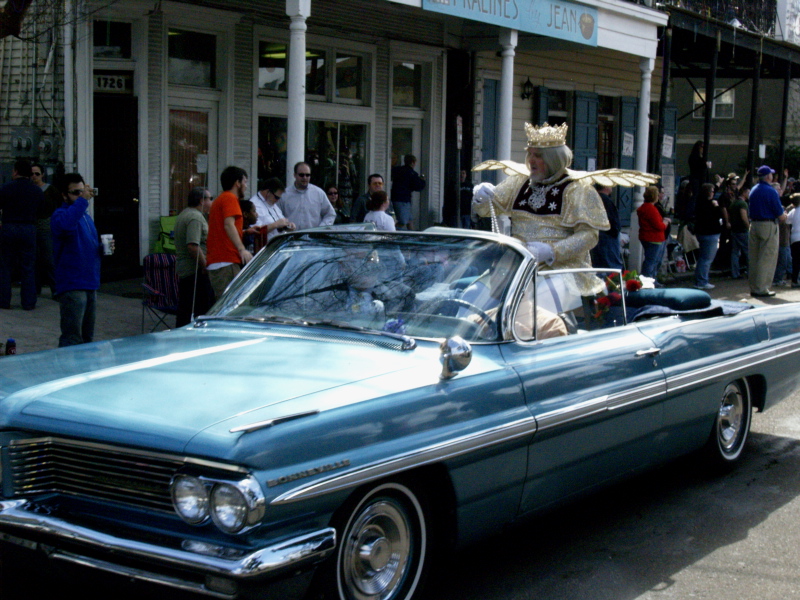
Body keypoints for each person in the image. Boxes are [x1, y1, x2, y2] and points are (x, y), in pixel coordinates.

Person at [472, 122, 614, 296]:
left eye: (538, 155)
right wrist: (482, 197)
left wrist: (552, 251)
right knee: (474, 293)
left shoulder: (577, 189)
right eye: (529, 154)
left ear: (553, 159)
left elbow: (589, 236)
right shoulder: (520, 182)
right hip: (518, 265)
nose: (531, 160)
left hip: (561, 270)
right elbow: (488, 210)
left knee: (536, 299)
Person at [51, 173, 104, 346]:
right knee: (72, 337)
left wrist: (103, 247)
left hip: (90, 282)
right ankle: (67, 371)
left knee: (88, 338)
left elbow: (87, 245)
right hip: (72, 283)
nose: (81, 196)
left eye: (83, 191)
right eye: (76, 193)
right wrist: (83, 201)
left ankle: (84, 371)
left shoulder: (85, 216)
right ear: (64, 195)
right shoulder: (60, 215)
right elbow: (66, 225)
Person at [0, 158, 44, 310]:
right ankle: (28, 302)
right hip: (28, 228)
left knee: (5, 266)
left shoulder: (6, 188)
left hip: (9, 227)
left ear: (16, 171)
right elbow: (42, 211)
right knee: (28, 266)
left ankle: (4, 301)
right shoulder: (36, 191)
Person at [206, 166, 253, 300]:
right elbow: (228, 225)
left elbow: (223, 227)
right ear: (237, 183)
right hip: (226, 261)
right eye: (244, 181)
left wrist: (245, 231)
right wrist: (242, 249)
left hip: (220, 260)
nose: (245, 185)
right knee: (233, 304)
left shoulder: (221, 199)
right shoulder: (230, 198)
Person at [174, 187, 214, 327]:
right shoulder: (195, 217)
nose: (211, 202)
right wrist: (205, 267)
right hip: (194, 272)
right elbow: (193, 246)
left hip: (187, 271)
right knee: (201, 309)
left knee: (185, 308)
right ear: (201, 200)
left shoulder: (185, 213)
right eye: (210, 199)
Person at [748, 165, 786, 297]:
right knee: (767, 258)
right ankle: (762, 288)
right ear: (768, 176)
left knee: (754, 258)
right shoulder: (771, 191)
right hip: (768, 225)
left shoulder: (754, 189)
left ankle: (754, 287)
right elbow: (780, 215)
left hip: (754, 224)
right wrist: (785, 215)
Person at [31, 162, 61, 297]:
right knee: (34, 259)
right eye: (32, 174)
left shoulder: (50, 190)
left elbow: (59, 205)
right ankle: (35, 288)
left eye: (37, 174)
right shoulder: (29, 189)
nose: (34, 176)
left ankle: (55, 288)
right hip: (32, 226)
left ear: (42, 175)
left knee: (49, 259)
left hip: (47, 226)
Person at [278, 162, 336, 230]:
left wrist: (321, 229)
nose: (305, 177)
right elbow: (277, 216)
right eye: (301, 175)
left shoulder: (319, 193)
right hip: (291, 237)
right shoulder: (284, 195)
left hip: (313, 238)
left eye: (307, 175)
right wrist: (286, 226)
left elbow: (330, 214)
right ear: (294, 175)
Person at [693, 182, 723, 290]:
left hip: (702, 233)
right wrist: (716, 206)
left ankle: (700, 280)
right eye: (711, 191)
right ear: (708, 193)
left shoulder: (699, 201)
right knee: (706, 259)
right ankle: (701, 281)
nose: (713, 193)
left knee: (702, 258)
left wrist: (718, 184)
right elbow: (717, 215)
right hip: (710, 233)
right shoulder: (709, 204)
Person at [637, 186, 670, 282]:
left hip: (647, 237)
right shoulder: (651, 209)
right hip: (654, 239)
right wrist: (665, 222)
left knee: (650, 261)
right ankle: (647, 281)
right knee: (651, 262)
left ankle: (650, 280)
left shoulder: (644, 207)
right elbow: (659, 226)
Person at [590, 183, 623, 271]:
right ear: (605, 186)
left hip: (601, 237)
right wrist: (615, 231)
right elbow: (612, 220)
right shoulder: (605, 200)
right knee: (610, 266)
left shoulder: (596, 199)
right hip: (607, 238)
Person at [254, 177, 295, 244]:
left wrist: (288, 225)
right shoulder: (254, 205)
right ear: (267, 192)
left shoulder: (272, 203)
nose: (277, 200)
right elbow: (255, 231)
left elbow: (280, 222)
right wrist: (276, 224)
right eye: (276, 197)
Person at [391, 155, 426, 229]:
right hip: (403, 200)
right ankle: (393, 232)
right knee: (403, 221)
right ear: (413, 163)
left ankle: (412, 235)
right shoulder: (412, 173)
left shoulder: (397, 170)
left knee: (410, 220)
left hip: (396, 197)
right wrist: (422, 180)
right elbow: (418, 187)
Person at [729, 184, 750, 280]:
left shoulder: (733, 203)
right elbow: (744, 217)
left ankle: (735, 273)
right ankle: (751, 272)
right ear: (744, 193)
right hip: (742, 230)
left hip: (734, 230)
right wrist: (748, 227)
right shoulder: (742, 204)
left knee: (735, 253)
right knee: (748, 252)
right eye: (748, 192)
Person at [789, 193, 800, 288]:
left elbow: (787, 221)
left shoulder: (792, 211)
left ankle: (794, 280)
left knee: (796, 260)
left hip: (794, 238)